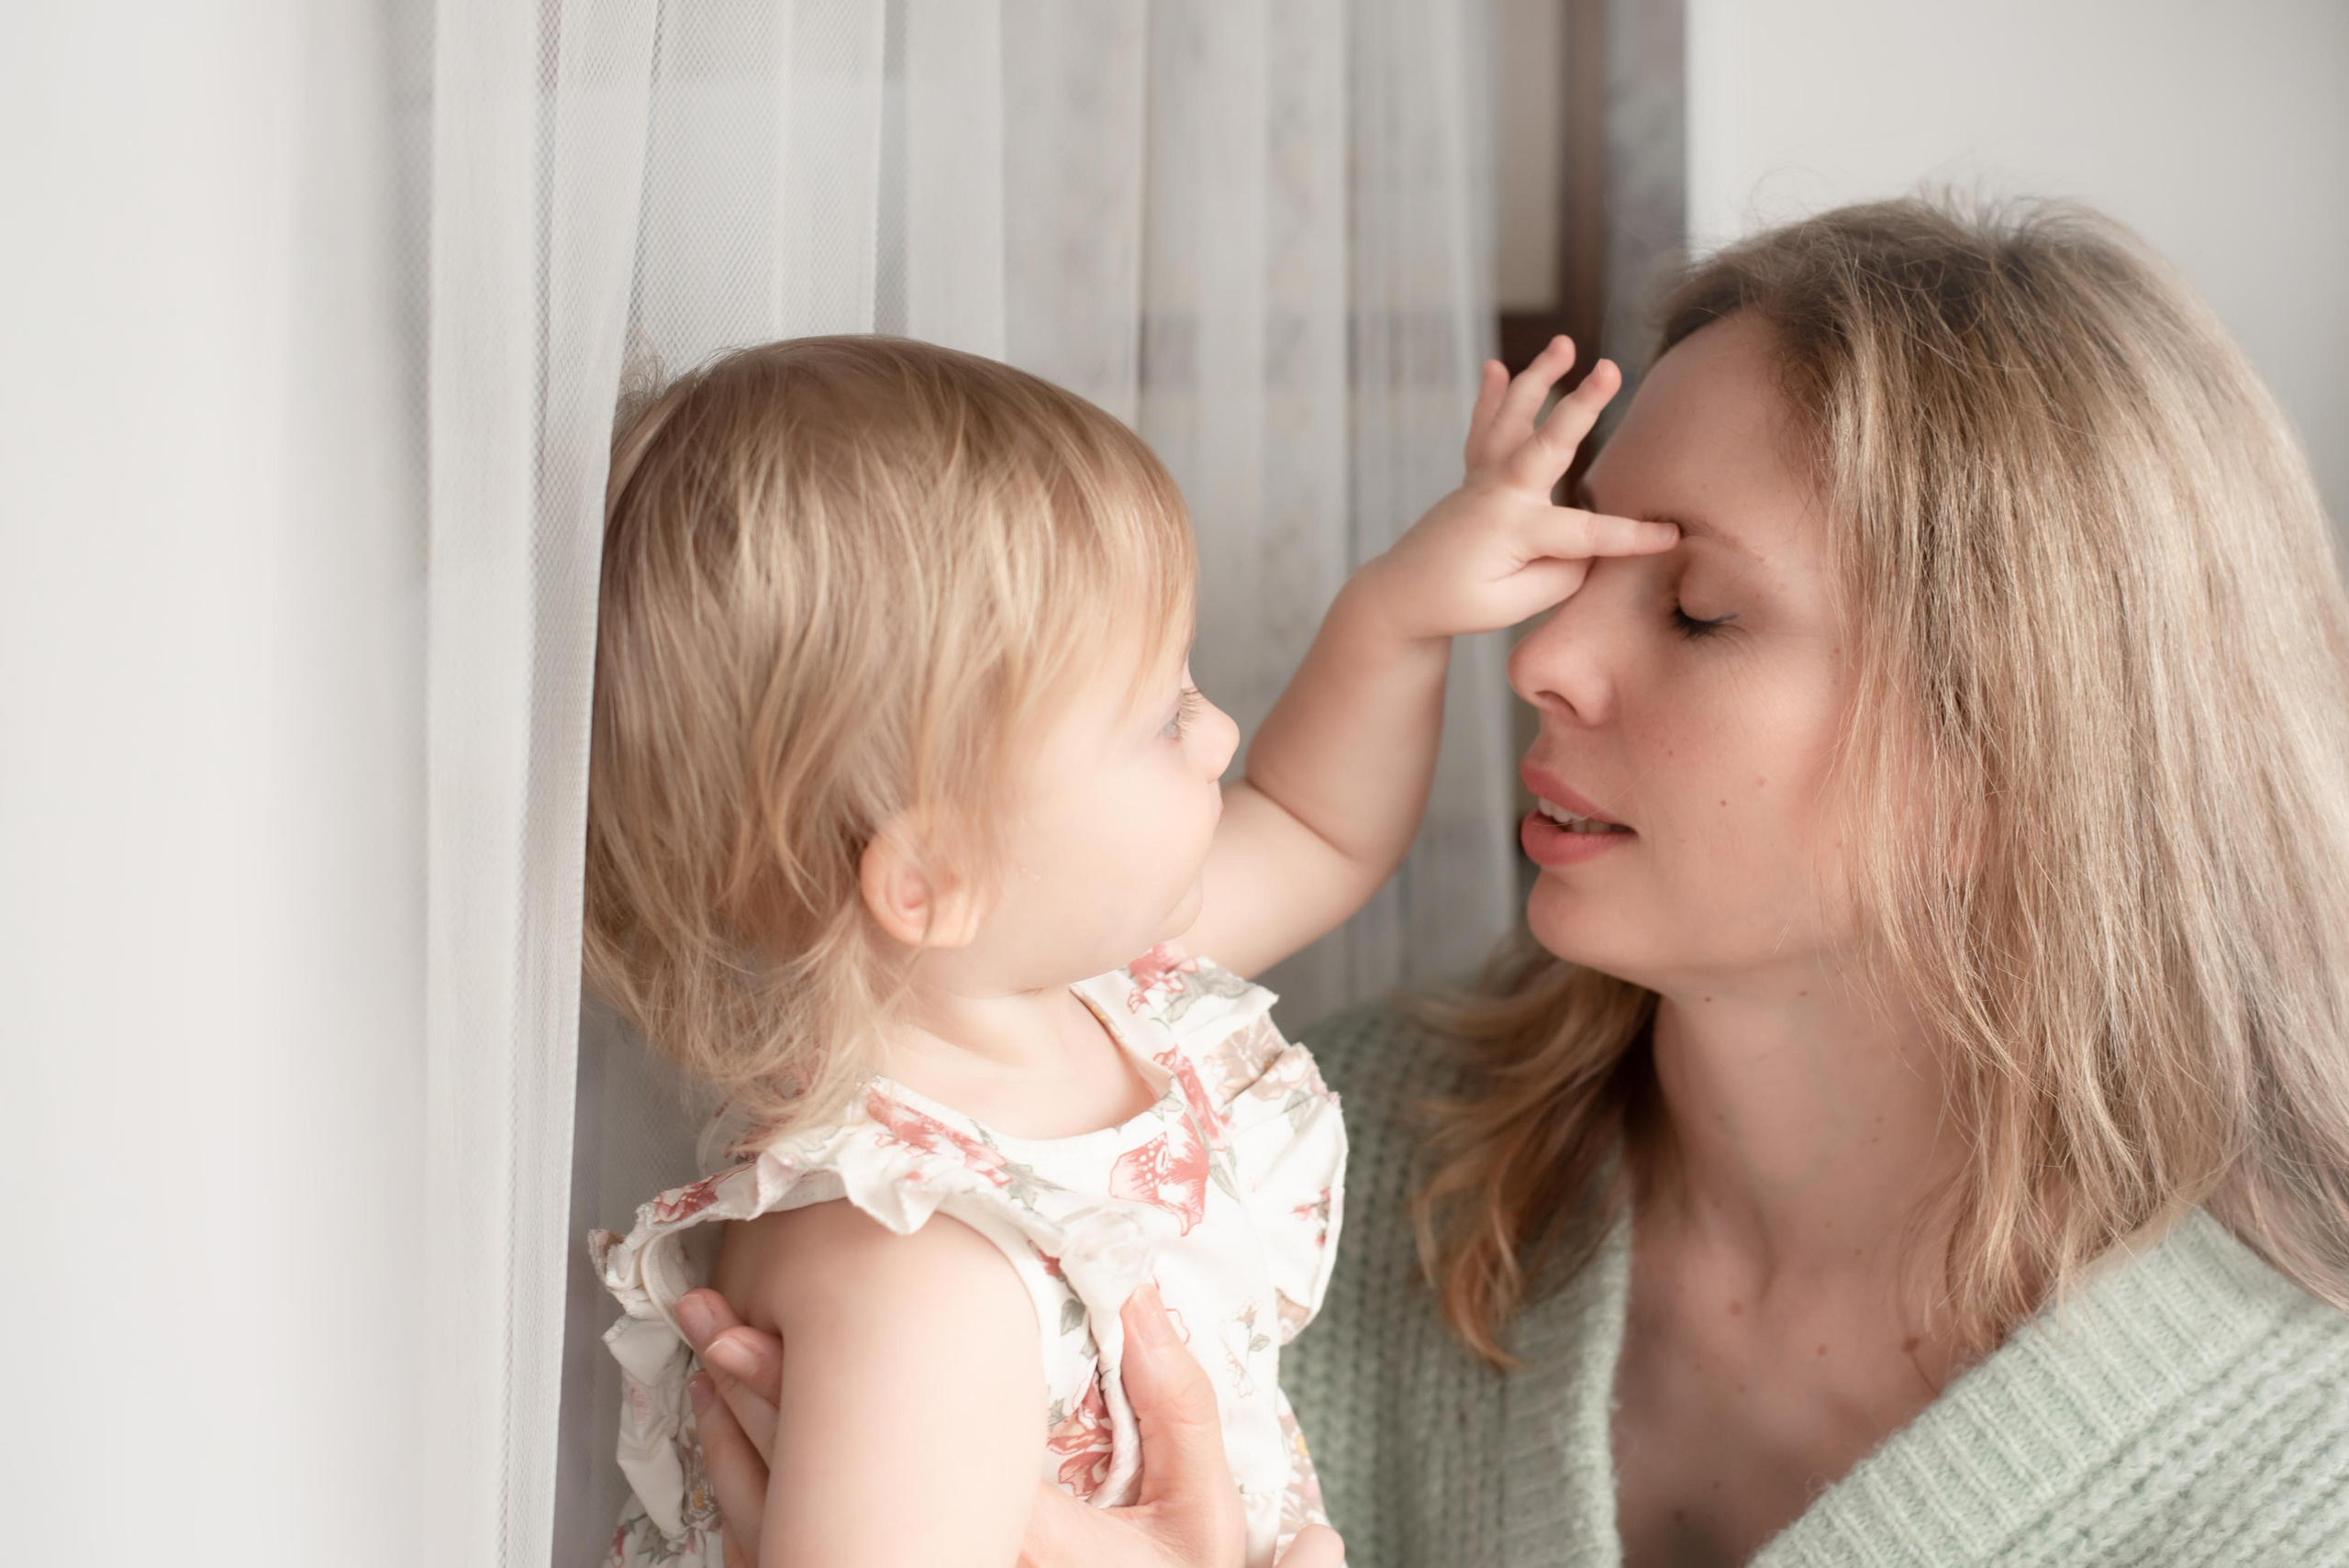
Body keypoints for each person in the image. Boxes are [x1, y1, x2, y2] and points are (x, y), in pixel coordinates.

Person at [670, 196, 2349, 1566]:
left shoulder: (2298, 1478)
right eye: (1573, 553)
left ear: (2003, 762)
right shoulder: (1267, 1183)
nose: (1541, 655)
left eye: (1697, 611)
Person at [582, 333, 1672, 1567]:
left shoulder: (1080, 988)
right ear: (934, 878)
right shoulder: (916, 1261)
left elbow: (1316, 824)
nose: (1221, 734)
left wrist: (1404, 612)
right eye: (1163, 715)